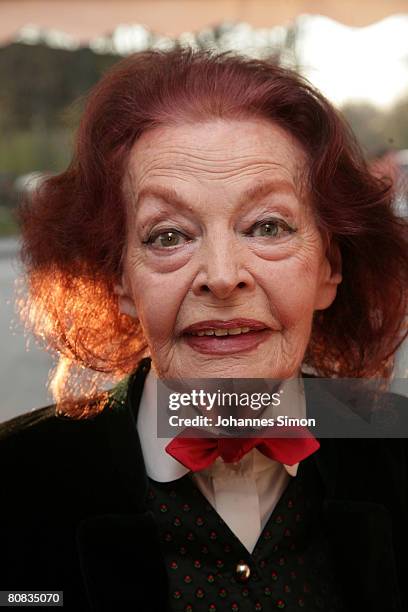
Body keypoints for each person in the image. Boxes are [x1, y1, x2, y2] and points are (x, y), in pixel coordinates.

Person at [1, 48, 407, 612]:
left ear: (328, 269)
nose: (221, 277)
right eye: (168, 236)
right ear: (120, 280)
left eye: (267, 226)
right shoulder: (13, 481)